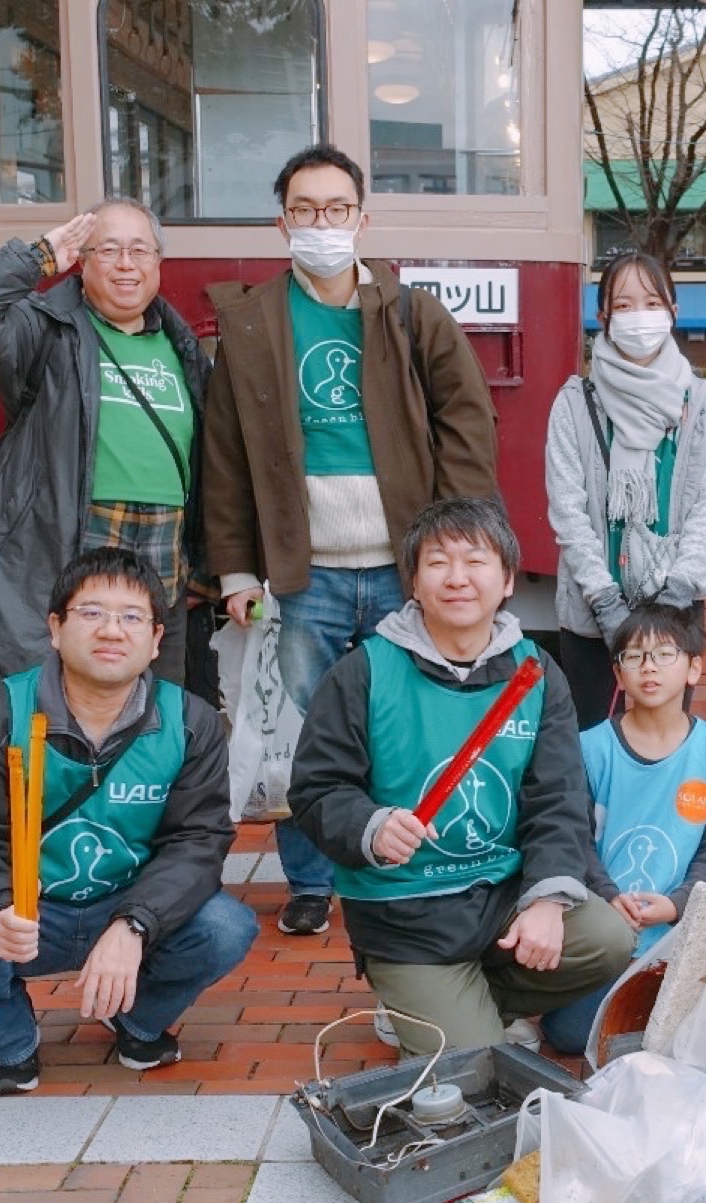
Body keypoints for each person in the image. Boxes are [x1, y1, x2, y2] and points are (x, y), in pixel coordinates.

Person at [203, 143, 500, 938]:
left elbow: (466, 427)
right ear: (282, 222)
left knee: (408, 718)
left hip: (405, 568)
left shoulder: (412, 315)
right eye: (305, 210)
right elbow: (224, 454)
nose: (322, 224)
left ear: (362, 220)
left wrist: (459, 548)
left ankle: (410, 854)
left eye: (337, 210)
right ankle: (311, 876)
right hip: (305, 576)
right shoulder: (253, 322)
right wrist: (236, 569)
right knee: (308, 729)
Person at [287, 498, 635, 1055]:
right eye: (437, 563)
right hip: (406, 913)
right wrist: (371, 828)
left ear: (506, 581)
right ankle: (426, 1005)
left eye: (475, 562)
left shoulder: (537, 673)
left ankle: (469, 1003)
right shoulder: (364, 672)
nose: (457, 579)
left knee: (608, 939)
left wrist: (546, 900)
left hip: (502, 894)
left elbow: (560, 797)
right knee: (475, 1069)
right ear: (415, 582)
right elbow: (315, 789)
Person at [0, 548, 259, 1095]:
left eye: (131, 616)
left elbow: (198, 843)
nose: (111, 631)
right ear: (56, 628)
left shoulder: (190, 722)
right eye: (91, 613)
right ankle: (9, 1043)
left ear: (156, 637)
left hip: (125, 908)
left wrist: (137, 923)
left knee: (225, 928)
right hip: (27, 915)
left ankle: (136, 1020)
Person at [0, 198, 208, 688]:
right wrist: (35, 258)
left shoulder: (181, 344)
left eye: (140, 250)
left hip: (166, 540)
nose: (127, 263)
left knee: (158, 693)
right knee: (76, 687)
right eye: (108, 249)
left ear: (159, 263)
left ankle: (142, 768)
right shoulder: (46, 330)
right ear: (82, 260)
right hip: (78, 533)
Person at [540, 603, 706, 1055]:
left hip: (676, 927)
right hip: (605, 925)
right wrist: (609, 895)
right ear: (618, 673)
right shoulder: (591, 748)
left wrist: (676, 904)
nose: (649, 667)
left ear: (693, 669)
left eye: (664, 654)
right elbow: (577, 840)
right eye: (634, 656)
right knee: (570, 1035)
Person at [544, 253, 706, 728]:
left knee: (665, 740)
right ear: (603, 317)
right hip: (592, 611)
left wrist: (677, 593)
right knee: (591, 739)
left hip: (676, 605)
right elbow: (567, 509)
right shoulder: (574, 403)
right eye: (623, 305)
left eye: (651, 301)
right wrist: (604, 601)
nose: (639, 316)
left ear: (673, 310)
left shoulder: (697, 400)